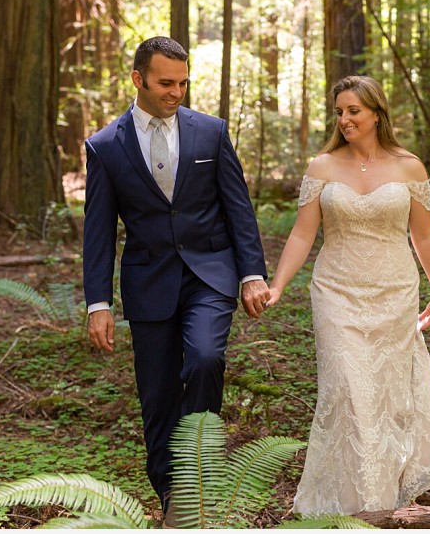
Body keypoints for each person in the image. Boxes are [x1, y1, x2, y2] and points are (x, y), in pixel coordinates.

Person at [82, 36, 270, 520]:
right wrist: (97, 303)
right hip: (148, 283)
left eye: (183, 82)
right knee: (158, 394)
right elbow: (99, 231)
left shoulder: (211, 132)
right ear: (138, 79)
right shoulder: (105, 146)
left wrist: (251, 273)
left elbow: (238, 209)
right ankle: (174, 497)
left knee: (206, 357)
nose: (177, 92)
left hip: (210, 273)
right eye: (166, 82)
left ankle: (201, 470)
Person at [266, 75, 430, 516]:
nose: (345, 119)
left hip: (394, 291)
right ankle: (355, 505)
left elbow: (423, 236)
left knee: (386, 396)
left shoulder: (410, 167)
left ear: (376, 112)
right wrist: (277, 284)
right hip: (335, 291)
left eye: (354, 110)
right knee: (348, 390)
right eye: (339, 112)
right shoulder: (323, 166)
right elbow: (301, 234)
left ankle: (382, 499)